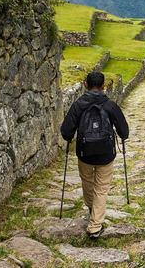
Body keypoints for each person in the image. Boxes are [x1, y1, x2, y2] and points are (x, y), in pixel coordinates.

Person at [60, 71, 128, 238]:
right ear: (103, 86)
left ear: (86, 85)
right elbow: (124, 131)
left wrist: (71, 136)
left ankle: (92, 211)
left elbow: (66, 132)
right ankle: (95, 226)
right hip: (106, 155)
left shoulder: (78, 105)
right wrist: (121, 135)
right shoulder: (110, 105)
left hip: (85, 154)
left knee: (88, 183)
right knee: (101, 188)